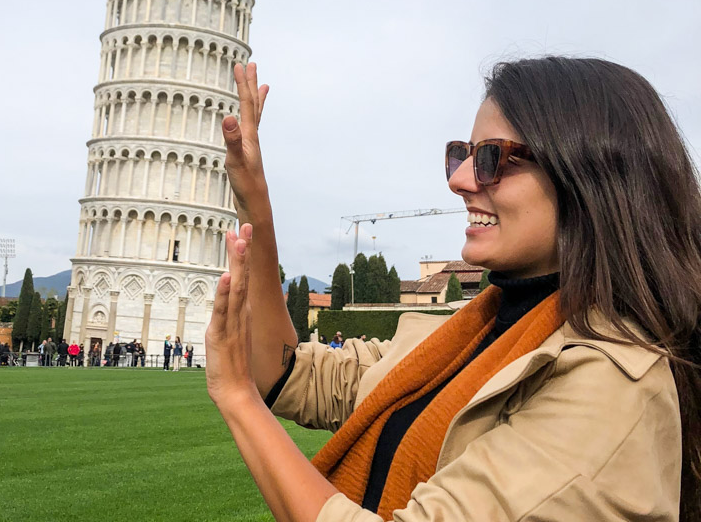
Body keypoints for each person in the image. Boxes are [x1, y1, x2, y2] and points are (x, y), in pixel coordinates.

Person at [204, 59, 701, 522]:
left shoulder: (613, 389)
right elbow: (287, 372)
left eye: (492, 159)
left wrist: (238, 399)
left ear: (588, 180)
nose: (460, 180)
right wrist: (256, 203)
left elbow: (262, 383)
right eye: (461, 155)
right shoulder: (464, 337)